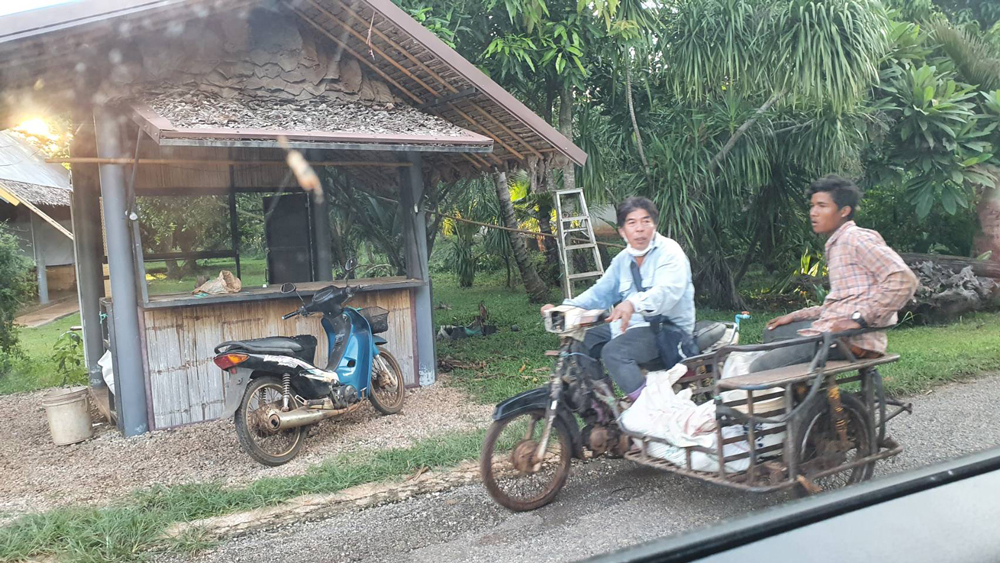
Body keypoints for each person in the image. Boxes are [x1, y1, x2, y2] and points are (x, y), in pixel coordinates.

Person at [752, 175, 918, 373]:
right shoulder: (837, 244)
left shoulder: (854, 239)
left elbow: (903, 278)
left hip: (851, 340)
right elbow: (839, 304)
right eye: (812, 206)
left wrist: (860, 320)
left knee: (760, 367)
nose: (813, 213)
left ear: (844, 211)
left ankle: (799, 395)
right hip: (836, 332)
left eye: (822, 206)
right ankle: (805, 395)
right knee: (773, 332)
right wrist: (796, 315)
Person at [541, 197, 695, 401]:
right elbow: (599, 294)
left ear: (654, 225)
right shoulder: (623, 260)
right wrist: (564, 308)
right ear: (622, 231)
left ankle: (649, 409)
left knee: (614, 352)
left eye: (646, 221)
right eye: (632, 223)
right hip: (631, 327)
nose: (640, 228)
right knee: (582, 342)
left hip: (668, 330)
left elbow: (666, 293)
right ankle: (604, 407)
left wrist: (632, 303)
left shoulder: (670, 252)